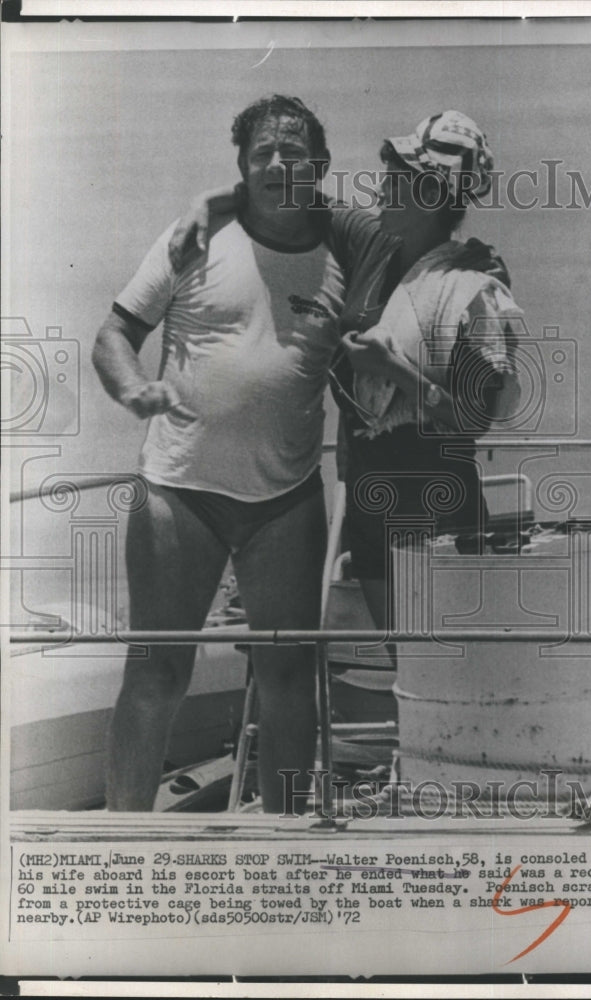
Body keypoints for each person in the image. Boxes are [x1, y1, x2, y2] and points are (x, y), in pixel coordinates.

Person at [173, 110, 523, 636]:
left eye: (398, 177)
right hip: (368, 492)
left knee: (442, 666)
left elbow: (474, 421)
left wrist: (395, 369)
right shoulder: (371, 244)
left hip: (436, 493)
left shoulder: (474, 283)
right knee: (401, 660)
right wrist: (207, 201)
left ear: (431, 194)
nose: (383, 183)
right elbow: (288, 190)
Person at [91, 95, 346, 813]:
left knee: (291, 677)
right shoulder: (195, 237)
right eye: (261, 154)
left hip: (287, 497)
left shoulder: (348, 251)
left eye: (291, 153)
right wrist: (135, 389)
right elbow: (112, 336)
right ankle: (121, 842)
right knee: (157, 673)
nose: (275, 164)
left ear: (319, 169)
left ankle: (286, 842)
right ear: (242, 169)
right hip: (181, 490)